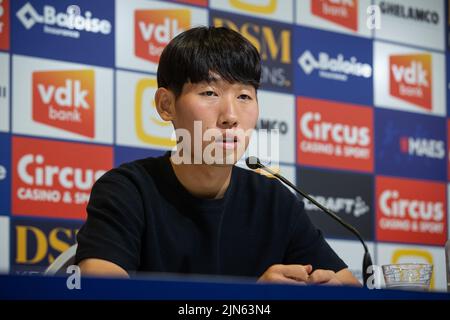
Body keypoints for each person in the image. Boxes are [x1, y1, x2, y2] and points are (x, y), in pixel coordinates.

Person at [75, 26, 360, 286]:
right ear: (166, 105)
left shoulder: (275, 201)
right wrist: (251, 302)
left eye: (244, 96)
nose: (231, 117)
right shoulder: (127, 190)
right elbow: (101, 292)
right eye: (210, 92)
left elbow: (350, 288)